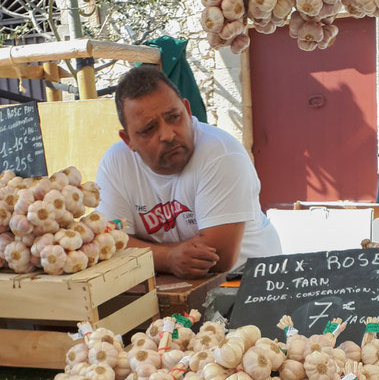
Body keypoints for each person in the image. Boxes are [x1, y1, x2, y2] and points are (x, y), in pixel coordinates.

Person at [96, 65, 281, 278]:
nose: (167, 134)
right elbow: (109, 243)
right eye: (149, 129)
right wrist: (168, 257)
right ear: (128, 140)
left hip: (249, 283)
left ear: (188, 111)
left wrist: (143, 250)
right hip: (173, 287)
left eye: (174, 117)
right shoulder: (115, 163)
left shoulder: (221, 153)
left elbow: (217, 258)